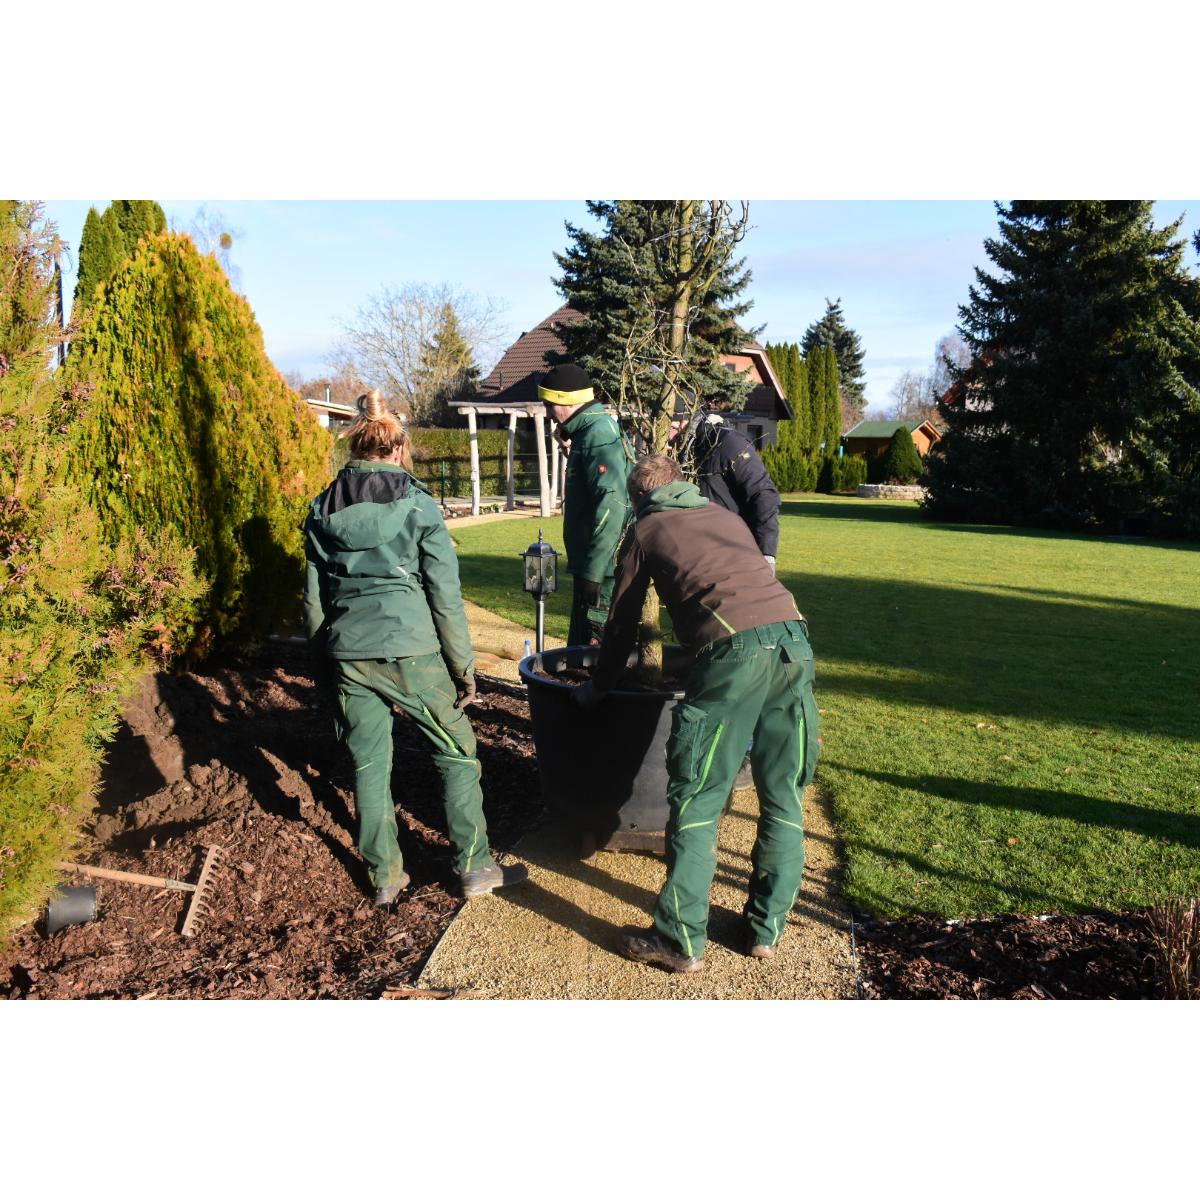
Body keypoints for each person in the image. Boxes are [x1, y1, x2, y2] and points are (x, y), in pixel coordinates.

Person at [574, 455, 819, 973]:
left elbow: (620, 622)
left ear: (641, 498)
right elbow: (729, 583)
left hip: (733, 655)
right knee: (783, 793)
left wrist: (599, 686)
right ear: (681, 486)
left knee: (698, 798)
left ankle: (679, 940)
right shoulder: (725, 516)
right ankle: (763, 930)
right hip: (794, 645)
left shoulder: (644, 529)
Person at [303, 391, 528, 905]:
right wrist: (462, 668)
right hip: (411, 652)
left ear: (354, 450)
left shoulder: (321, 510)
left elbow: (314, 601)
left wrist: (323, 666)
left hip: (348, 655)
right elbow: (445, 596)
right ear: (399, 450)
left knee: (368, 766)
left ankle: (385, 878)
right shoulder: (420, 506)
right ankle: (473, 866)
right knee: (457, 752)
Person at [539, 363, 635, 645]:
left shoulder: (598, 434)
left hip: (602, 572)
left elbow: (612, 502)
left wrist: (593, 571)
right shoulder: (590, 431)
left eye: (549, 404)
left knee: (592, 657)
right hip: (594, 566)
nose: (548, 413)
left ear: (564, 400)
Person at [670, 409, 781, 571]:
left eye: (669, 426)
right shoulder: (684, 450)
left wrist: (766, 554)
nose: (666, 433)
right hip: (695, 556)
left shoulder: (729, 443)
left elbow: (763, 493)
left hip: (731, 554)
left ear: (682, 421)